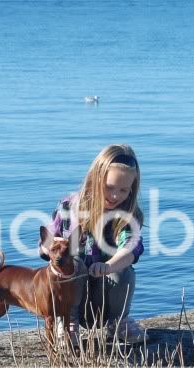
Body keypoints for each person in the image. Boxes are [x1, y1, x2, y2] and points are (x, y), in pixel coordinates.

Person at [40, 143, 147, 344]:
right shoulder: (69, 207)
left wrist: (108, 266)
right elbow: (46, 240)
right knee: (73, 265)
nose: (116, 196)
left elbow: (130, 248)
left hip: (105, 296)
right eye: (109, 187)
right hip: (71, 294)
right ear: (95, 179)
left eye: (124, 190)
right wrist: (50, 246)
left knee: (123, 271)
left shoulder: (126, 216)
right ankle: (67, 323)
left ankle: (117, 322)